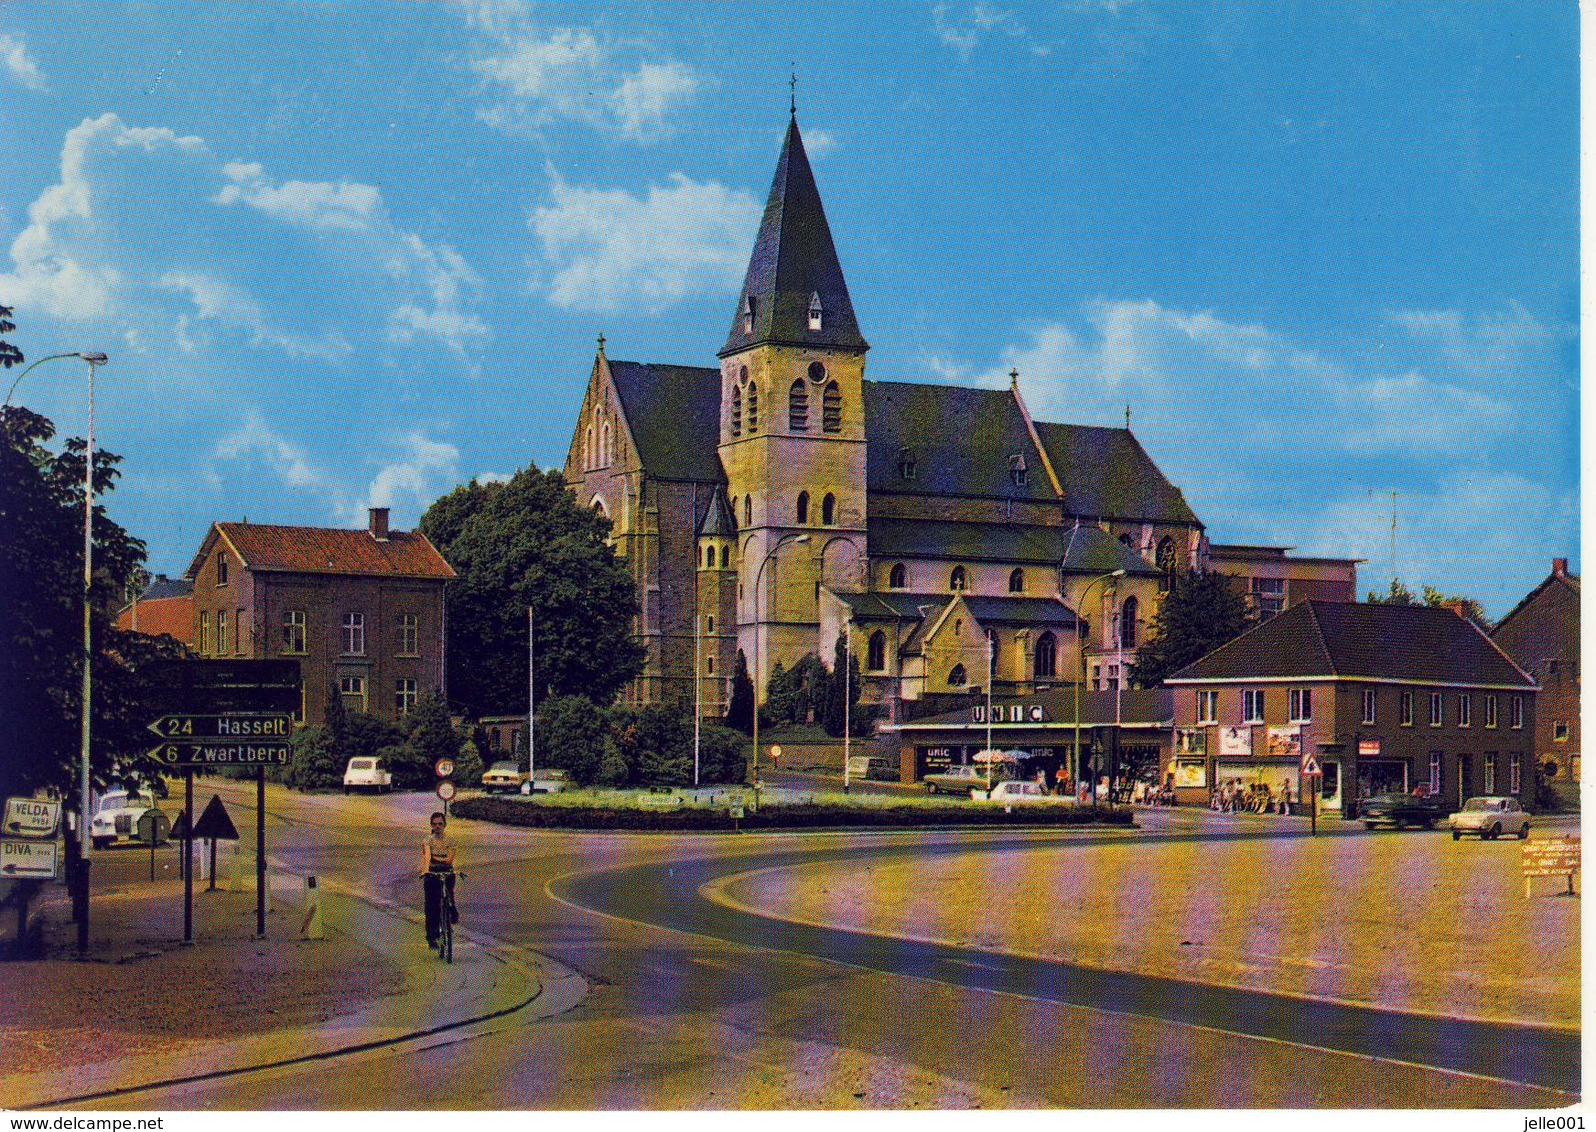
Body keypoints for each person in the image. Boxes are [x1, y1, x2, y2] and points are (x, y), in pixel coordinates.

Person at [419, 810, 457, 948]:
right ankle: (432, 936)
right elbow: (428, 856)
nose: (437, 827)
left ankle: (451, 911)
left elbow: (449, 860)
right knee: (432, 905)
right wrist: (426, 869)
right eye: (434, 824)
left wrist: (437, 858)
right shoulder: (428, 840)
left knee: (449, 894)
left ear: (445, 825)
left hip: (447, 871)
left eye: (440, 824)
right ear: (431, 825)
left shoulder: (450, 840)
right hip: (432, 872)